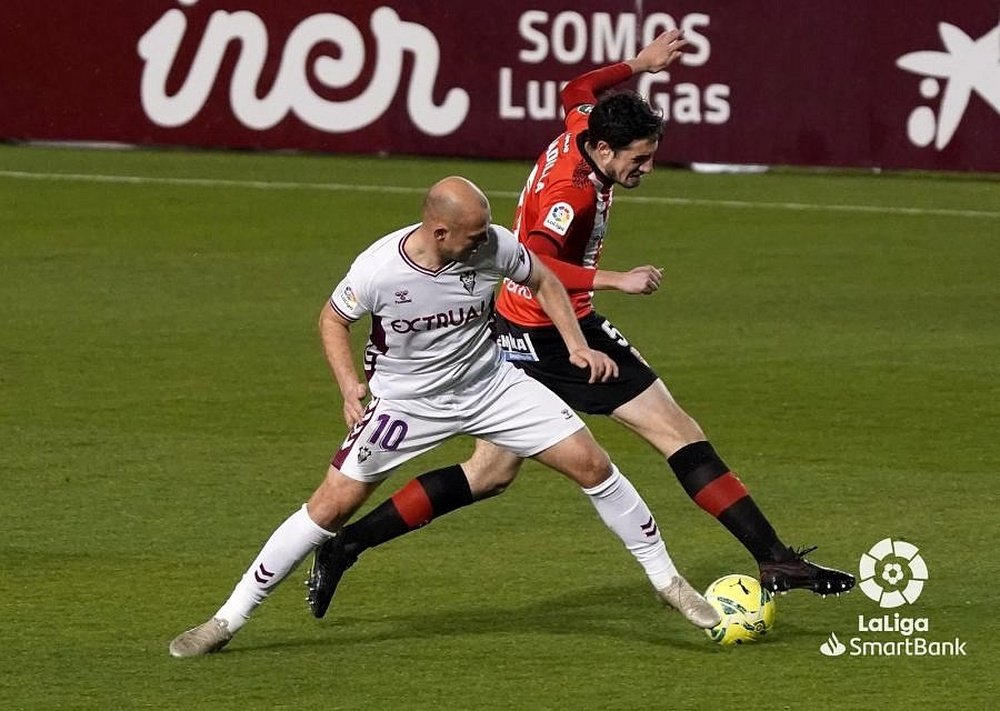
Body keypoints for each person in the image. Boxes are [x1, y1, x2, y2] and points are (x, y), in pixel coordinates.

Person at [306, 30, 855, 620]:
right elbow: (538, 265)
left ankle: (347, 546)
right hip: (551, 332)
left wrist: (638, 66)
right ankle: (775, 558)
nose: (647, 167)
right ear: (604, 150)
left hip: (516, 330)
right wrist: (616, 278)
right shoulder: (571, 196)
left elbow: (576, 88)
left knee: (489, 474)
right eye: (639, 158)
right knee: (677, 432)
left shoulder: (582, 128)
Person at [168, 176, 721, 658]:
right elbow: (333, 320)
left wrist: (575, 345)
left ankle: (667, 581)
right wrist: (347, 387)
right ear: (438, 232)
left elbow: (544, 280)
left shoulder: (493, 246)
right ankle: (227, 619)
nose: (487, 241)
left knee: (592, 465)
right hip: (405, 403)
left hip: (491, 383)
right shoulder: (378, 269)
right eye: (474, 234)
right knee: (330, 506)